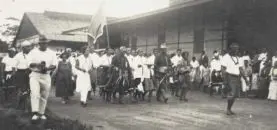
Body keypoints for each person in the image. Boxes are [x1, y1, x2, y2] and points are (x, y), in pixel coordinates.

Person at [28, 35, 57, 121]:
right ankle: (35, 113)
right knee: (35, 93)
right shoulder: (33, 52)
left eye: (45, 43)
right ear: (39, 44)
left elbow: (54, 65)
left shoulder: (52, 53)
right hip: (35, 75)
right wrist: (38, 65)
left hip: (46, 75)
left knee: (44, 95)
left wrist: (46, 68)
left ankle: (41, 113)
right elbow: (29, 64)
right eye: (42, 43)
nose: (44, 45)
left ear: (47, 44)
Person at [221, 42, 249, 115]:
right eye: (235, 49)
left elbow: (241, 69)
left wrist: (245, 79)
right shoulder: (226, 57)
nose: (237, 50)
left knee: (235, 95)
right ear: (231, 49)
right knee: (231, 94)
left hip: (237, 77)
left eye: (237, 49)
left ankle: (229, 109)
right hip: (229, 76)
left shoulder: (238, 58)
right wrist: (225, 80)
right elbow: (223, 69)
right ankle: (228, 109)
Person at [13, 41, 33, 110]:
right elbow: (13, 66)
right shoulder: (18, 55)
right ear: (23, 48)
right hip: (20, 74)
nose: (29, 48)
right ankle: (18, 106)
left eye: (30, 47)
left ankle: (26, 107)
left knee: (28, 90)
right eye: (28, 47)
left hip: (30, 73)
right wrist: (14, 75)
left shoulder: (32, 55)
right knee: (21, 90)